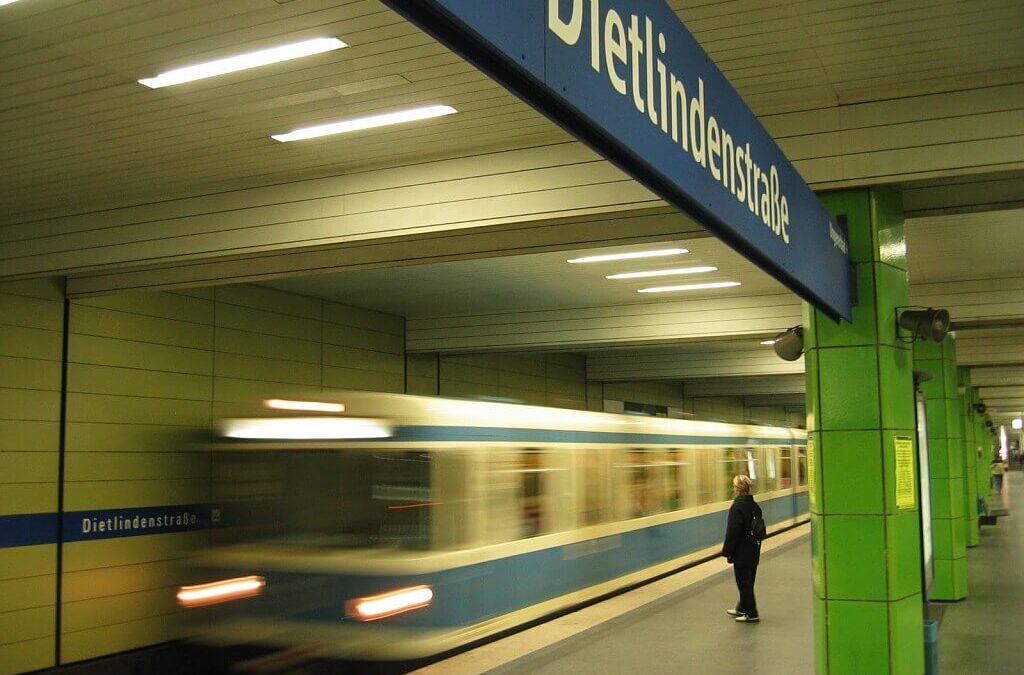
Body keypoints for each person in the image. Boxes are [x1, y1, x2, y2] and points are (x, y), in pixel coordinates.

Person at [721, 474, 762, 623]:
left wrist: (727, 552)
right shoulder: (755, 506)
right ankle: (742, 607)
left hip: (741, 551)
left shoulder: (737, 507)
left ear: (737, 489)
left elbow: (733, 532)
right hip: (754, 550)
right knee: (748, 581)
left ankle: (752, 613)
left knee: (743, 582)